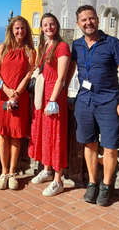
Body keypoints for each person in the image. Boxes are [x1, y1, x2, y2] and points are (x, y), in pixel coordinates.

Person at [67, 5, 119, 206]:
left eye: (91, 18)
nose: (88, 23)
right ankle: (92, 183)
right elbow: (70, 71)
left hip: (107, 101)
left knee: (111, 147)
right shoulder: (77, 45)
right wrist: (61, 94)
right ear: (78, 24)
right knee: (89, 144)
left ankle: (106, 186)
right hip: (84, 101)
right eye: (83, 20)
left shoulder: (112, 43)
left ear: (97, 19)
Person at [0, 16, 36, 190]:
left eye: (23, 28)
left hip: (18, 97)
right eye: (17, 28)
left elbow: (28, 75)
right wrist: (7, 91)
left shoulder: (30, 50)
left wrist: (16, 93)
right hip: (2, 96)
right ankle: (3, 171)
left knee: (15, 135)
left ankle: (13, 172)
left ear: (26, 30)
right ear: (11, 30)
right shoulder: (4, 48)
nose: (20, 31)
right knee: (3, 135)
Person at [28, 13, 71, 196]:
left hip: (54, 95)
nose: (48, 28)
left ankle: (57, 179)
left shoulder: (62, 46)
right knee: (45, 134)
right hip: (42, 94)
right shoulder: (43, 45)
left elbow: (61, 76)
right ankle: (46, 170)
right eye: (45, 25)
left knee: (56, 135)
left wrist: (53, 99)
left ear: (57, 26)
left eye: (51, 24)